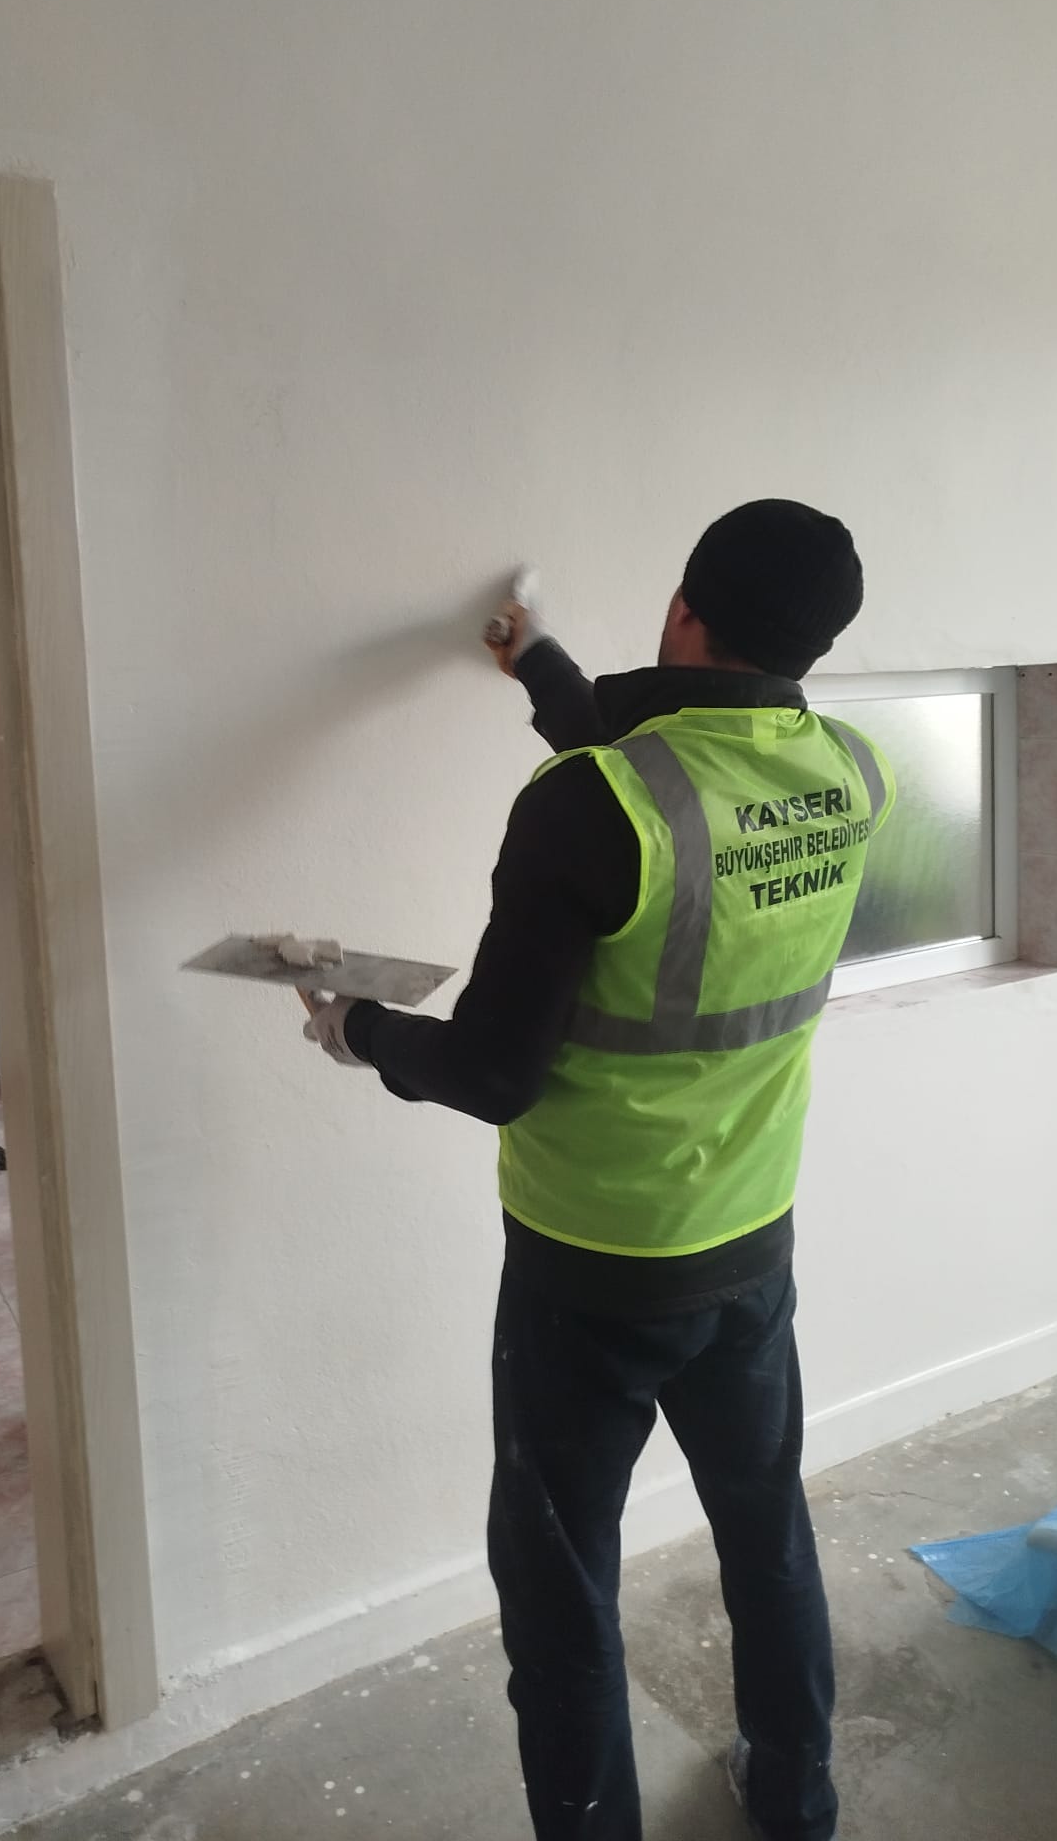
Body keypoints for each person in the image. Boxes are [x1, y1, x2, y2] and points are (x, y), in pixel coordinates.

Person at [301, 499, 894, 1841]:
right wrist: (538, 664)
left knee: (563, 1594)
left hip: (590, 1274)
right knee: (766, 1535)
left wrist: (357, 1030)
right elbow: (662, 762)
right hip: (749, 1247)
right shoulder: (853, 774)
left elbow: (494, 1072)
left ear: (682, 609)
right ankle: (795, 1799)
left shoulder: (589, 807)